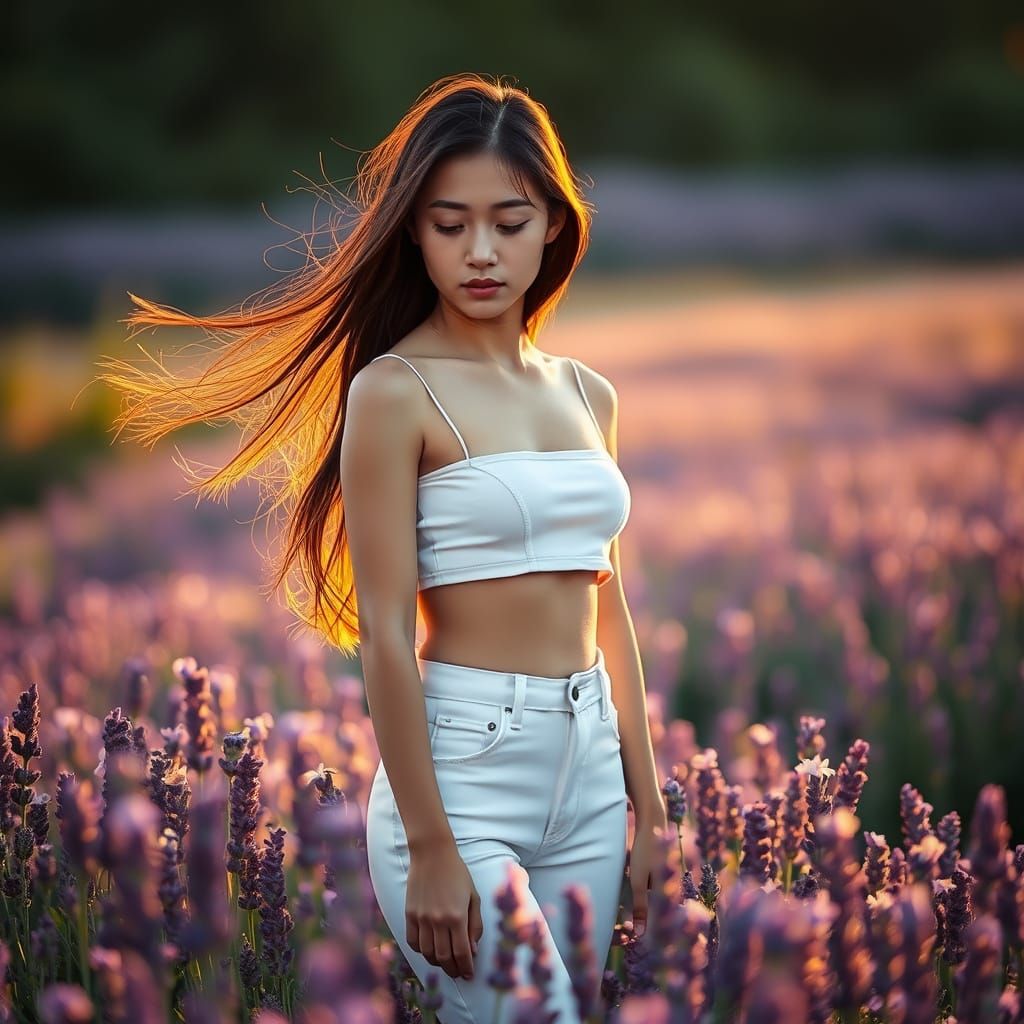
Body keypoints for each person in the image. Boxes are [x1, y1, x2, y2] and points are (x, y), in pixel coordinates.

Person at [99, 72, 667, 1024]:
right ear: (413, 229)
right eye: (450, 225)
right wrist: (436, 847)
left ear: (555, 227)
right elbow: (385, 632)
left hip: (591, 762)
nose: (480, 251)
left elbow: (608, 608)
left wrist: (652, 809)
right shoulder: (395, 391)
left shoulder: (588, 393)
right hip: (462, 771)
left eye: (509, 221)